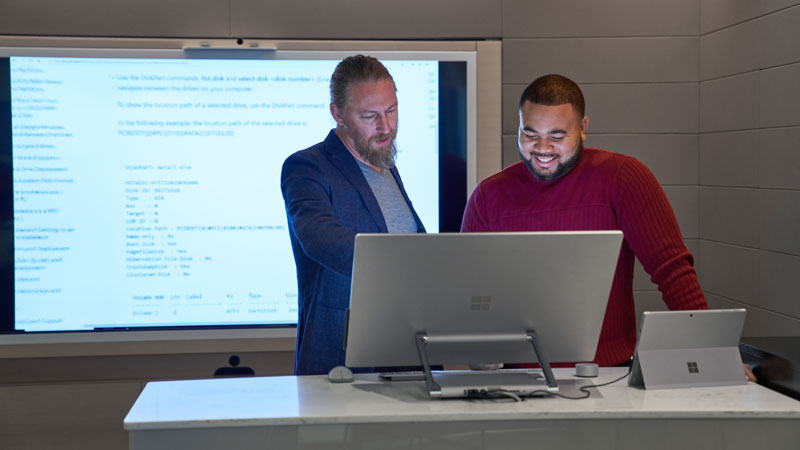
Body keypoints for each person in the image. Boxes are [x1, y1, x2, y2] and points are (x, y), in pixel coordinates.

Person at [462, 74, 755, 381]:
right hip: (514, 380)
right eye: (530, 134)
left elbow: (673, 271)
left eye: (558, 136)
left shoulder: (623, 178)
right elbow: (468, 293)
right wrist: (476, 351)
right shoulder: (488, 197)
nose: (543, 148)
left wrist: (713, 352)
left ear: (583, 128)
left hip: (607, 374)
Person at [281, 55, 425, 376]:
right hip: (342, 358)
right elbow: (320, 237)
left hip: (408, 355)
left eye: (391, 110)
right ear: (338, 113)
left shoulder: (387, 165)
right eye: (369, 115)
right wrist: (399, 267)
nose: (385, 127)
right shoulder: (307, 166)